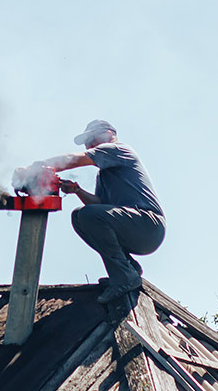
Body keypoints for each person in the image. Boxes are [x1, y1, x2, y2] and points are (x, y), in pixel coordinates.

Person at [26, 119, 165, 305]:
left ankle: (124, 277)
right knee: (79, 216)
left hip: (148, 224)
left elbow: (76, 159)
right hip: (137, 227)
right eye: (86, 142)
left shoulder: (118, 149)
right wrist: (77, 191)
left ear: (108, 134)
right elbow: (100, 204)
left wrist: (37, 167)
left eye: (91, 138)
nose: (88, 144)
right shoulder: (105, 173)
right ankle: (127, 268)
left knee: (87, 215)